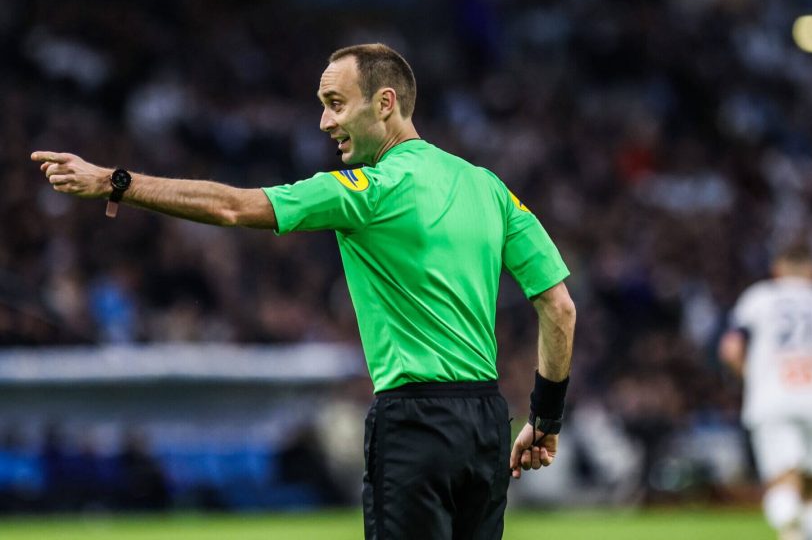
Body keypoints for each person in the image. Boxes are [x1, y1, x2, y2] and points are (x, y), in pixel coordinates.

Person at [32, 43, 576, 539]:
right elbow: (559, 306)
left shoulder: (370, 189)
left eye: (336, 103)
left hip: (416, 426)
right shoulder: (487, 186)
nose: (324, 121)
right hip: (486, 423)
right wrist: (545, 421)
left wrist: (116, 182)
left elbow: (232, 206)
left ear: (385, 103)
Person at [719, 242, 812, 540]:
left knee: (783, 477)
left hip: (772, 397)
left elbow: (731, 349)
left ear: (777, 269)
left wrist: (751, 378)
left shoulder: (759, 297)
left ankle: (790, 532)